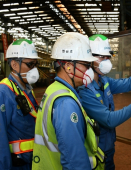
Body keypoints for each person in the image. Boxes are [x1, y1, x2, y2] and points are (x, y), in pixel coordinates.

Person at [78, 34, 131, 170]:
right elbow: (109, 120)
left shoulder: (103, 80)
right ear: (89, 59)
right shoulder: (84, 90)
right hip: (95, 151)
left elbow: (128, 84)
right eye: (102, 57)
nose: (106, 61)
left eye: (108, 57)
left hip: (108, 146)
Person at [32, 32, 105, 170]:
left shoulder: (54, 88)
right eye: (86, 65)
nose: (89, 70)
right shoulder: (66, 103)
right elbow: (75, 162)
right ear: (68, 67)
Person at [0, 39, 41, 170]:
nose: (34, 69)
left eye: (36, 64)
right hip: (16, 164)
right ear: (14, 64)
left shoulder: (27, 90)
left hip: (32, 161)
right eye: (30, 64)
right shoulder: (2, 93)